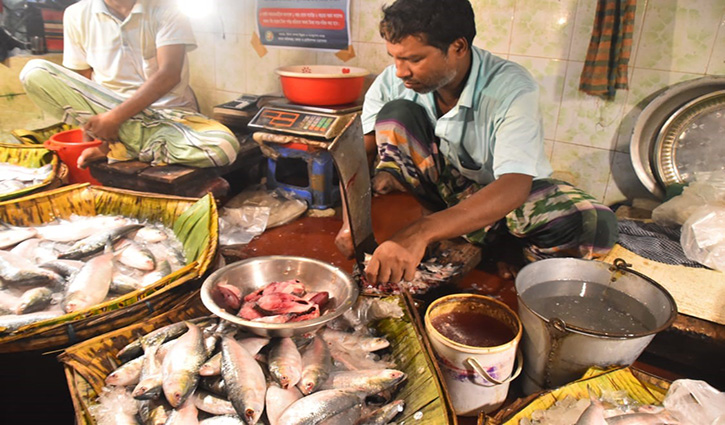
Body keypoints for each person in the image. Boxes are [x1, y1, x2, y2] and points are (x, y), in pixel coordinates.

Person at [335, 0, 618, 285]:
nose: (400, 71)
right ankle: (453, 235)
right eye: (394, 57)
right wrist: (352, 226)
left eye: (415, 59)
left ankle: (506, 253)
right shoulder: (392, 83)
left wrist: (420, 231)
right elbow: (362, 155)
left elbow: (515, 184)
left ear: (458, 47)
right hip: (446, 198)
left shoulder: (510, 87)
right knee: (397, 115)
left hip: (500, 202)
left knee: (591, 221)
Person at [19, 0, 240, 169]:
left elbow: (169, 74)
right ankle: (129, 145)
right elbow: (81, 85)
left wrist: (115, 120)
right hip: (110, 121)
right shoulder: (76, 15)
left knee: (222, 149)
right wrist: (91, 141)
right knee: (34, 71)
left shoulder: (166, 9)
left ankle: (126, 149)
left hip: (168, 117)